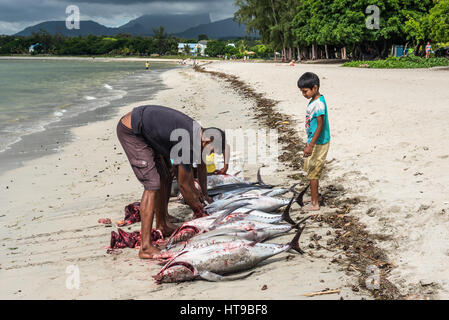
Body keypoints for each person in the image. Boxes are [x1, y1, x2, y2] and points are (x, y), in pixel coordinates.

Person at [116, 105, 226, 258]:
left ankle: (162, 224)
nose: (208, 155)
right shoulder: (189, 140)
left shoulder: (198, 134)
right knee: (152, 183)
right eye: (211, 151)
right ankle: (145, 247)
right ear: (207, 141)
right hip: (133, 131)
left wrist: (205, 195)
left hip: (147, 131)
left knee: (165, 175)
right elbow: (184, 186)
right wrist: (200, 212)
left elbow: (200, 166)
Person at [297, 72, 331, 211]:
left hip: (319, 142)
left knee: (313, 172)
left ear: (315, 88)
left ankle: (315, 203)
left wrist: (311, 145)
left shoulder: (319, 105)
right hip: (313, 141)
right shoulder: (314, 101)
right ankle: (313, 196)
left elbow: (320, 125)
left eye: (305, 91)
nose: (303, 94)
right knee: (310, 169)